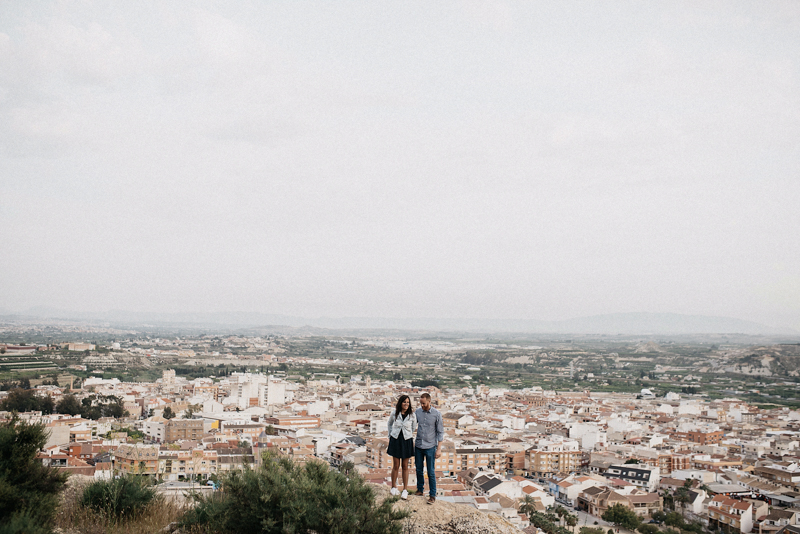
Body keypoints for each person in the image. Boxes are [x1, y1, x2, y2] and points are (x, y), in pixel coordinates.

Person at [414, 392, 444, 504]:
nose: (422, 406)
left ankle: (432, 495)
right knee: (418, 469)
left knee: (431, 472)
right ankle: (420, 490)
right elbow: (412, 425)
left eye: (424, 403)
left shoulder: (437, 414)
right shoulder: (417, 412)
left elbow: (440, 432)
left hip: (430, 446)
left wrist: (439, 448)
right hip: (418, 445)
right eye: (421, 403)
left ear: (429, 401)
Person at [387, 394, 416, 500]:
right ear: (400, 403)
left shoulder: (412, 415)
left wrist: (407, 434)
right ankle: (394, 486)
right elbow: (389, 424)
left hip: (406, 441)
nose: (406, 404)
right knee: (396, 465)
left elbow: (413, 427)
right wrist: (390, 435)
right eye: (404, 402)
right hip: (395, 440)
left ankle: (405, 489)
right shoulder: (394, 413)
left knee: (405, 466)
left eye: (408, 402)